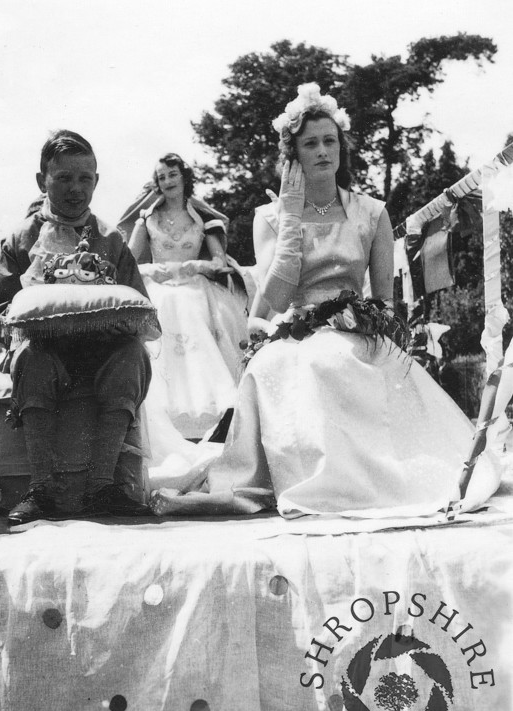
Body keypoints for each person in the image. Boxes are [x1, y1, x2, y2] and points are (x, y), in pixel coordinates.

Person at [150, 84, 501, 519]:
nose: (322, 151)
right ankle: (291, 479)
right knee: (277, 366)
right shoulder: (270, 217)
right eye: (310, 143)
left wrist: (371, 327)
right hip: (295, 328)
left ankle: (361, 479)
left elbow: (385, 300)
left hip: (358, 328)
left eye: (329, 141)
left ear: (341, 148)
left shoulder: (371, 211)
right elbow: (275, 296)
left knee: (332, 361)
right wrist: (292, 217)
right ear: (293, 153)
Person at [0, 130, 152, 524]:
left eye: (85, 178)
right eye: (63, 178)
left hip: (101, 354)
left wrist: (118, 325)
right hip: (46, 353)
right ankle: (41, 489)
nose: (76, 189)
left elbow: (143, 312)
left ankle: (102, 486)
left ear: (97, 180)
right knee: (31, 358)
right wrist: (28, 311)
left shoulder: (112, 240)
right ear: (42, 180)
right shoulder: (20, 240)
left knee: (132, 355)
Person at [127, 153, 248, 440]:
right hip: (161, 288)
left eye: (172, 174)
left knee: (194, 310)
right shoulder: (148, 219)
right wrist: (151, 269)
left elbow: (220, 262)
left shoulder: (204, 219)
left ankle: (211, 418)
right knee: (164, 314)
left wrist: (199, 265)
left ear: (184, 177)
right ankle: (163, 418)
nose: (167, 181)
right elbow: (129, 260)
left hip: (195, 286)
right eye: (162, 177)